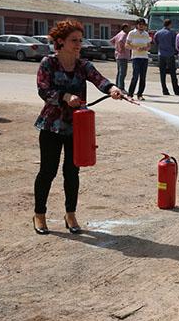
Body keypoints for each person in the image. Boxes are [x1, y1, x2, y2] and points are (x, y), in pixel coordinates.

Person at [33, 19, 122, 235]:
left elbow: (100, 80)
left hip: (77, 128)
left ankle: (70, 214)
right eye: (74, 40)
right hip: (51, 126)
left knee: (72, 172)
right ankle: (39, 215)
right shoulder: (48, 63)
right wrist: (64, 96)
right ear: (60, 42)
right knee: (48, 171)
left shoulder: (84, 65)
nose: (78, 44)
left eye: (80, 40)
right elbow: (43, 90)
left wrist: (112, 89)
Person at [153, 19, 179, 96]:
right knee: (173, 73)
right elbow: (175, 44)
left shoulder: (158, 33)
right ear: (169, 24)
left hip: (161, 54)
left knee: (162, 73)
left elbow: (155, 42)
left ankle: (164, 90)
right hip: (170, 54)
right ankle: (176, 90)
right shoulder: (172, 33)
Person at [126, 18, 151, 101]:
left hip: (144, 57)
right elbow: (127, 45)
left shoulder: (146, 34)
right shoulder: (132, 33)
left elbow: (149, 46)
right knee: (135, 76)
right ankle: (130, 94)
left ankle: (140, 94)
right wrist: (136, 48)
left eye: (143, 25)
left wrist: (145, 48)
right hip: (136, 57)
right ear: (137, 25)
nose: (141, 26)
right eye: (140, 24)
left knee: (143, 77)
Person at [110, 23, 130, 90]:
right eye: (128, 28)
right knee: (123, 72)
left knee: (119, 72)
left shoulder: (118, 34)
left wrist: (116, 47)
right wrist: (121, 48)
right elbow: (121, 41)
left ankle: (117, 85)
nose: (129, 29)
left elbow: (111, 41)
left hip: (117, 55)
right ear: (124, 28)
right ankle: (121, 87)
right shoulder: (124, 34)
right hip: (123, 55)